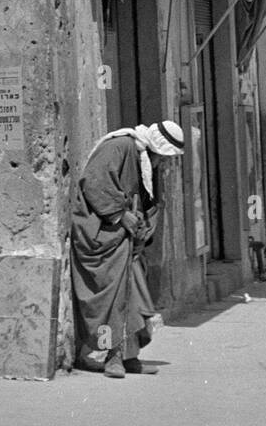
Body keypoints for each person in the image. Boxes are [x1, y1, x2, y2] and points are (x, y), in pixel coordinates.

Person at [70, 120, 184, 378]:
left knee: (134, 297)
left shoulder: (141, 159)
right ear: (156, 150)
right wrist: (121, 215)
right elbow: (94, 183)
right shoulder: (120, 146)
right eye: (163, 159)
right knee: (113, 300)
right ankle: (111, 357)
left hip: (123, 240)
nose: (163, 165)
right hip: (102, 235)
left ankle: (129, 356)